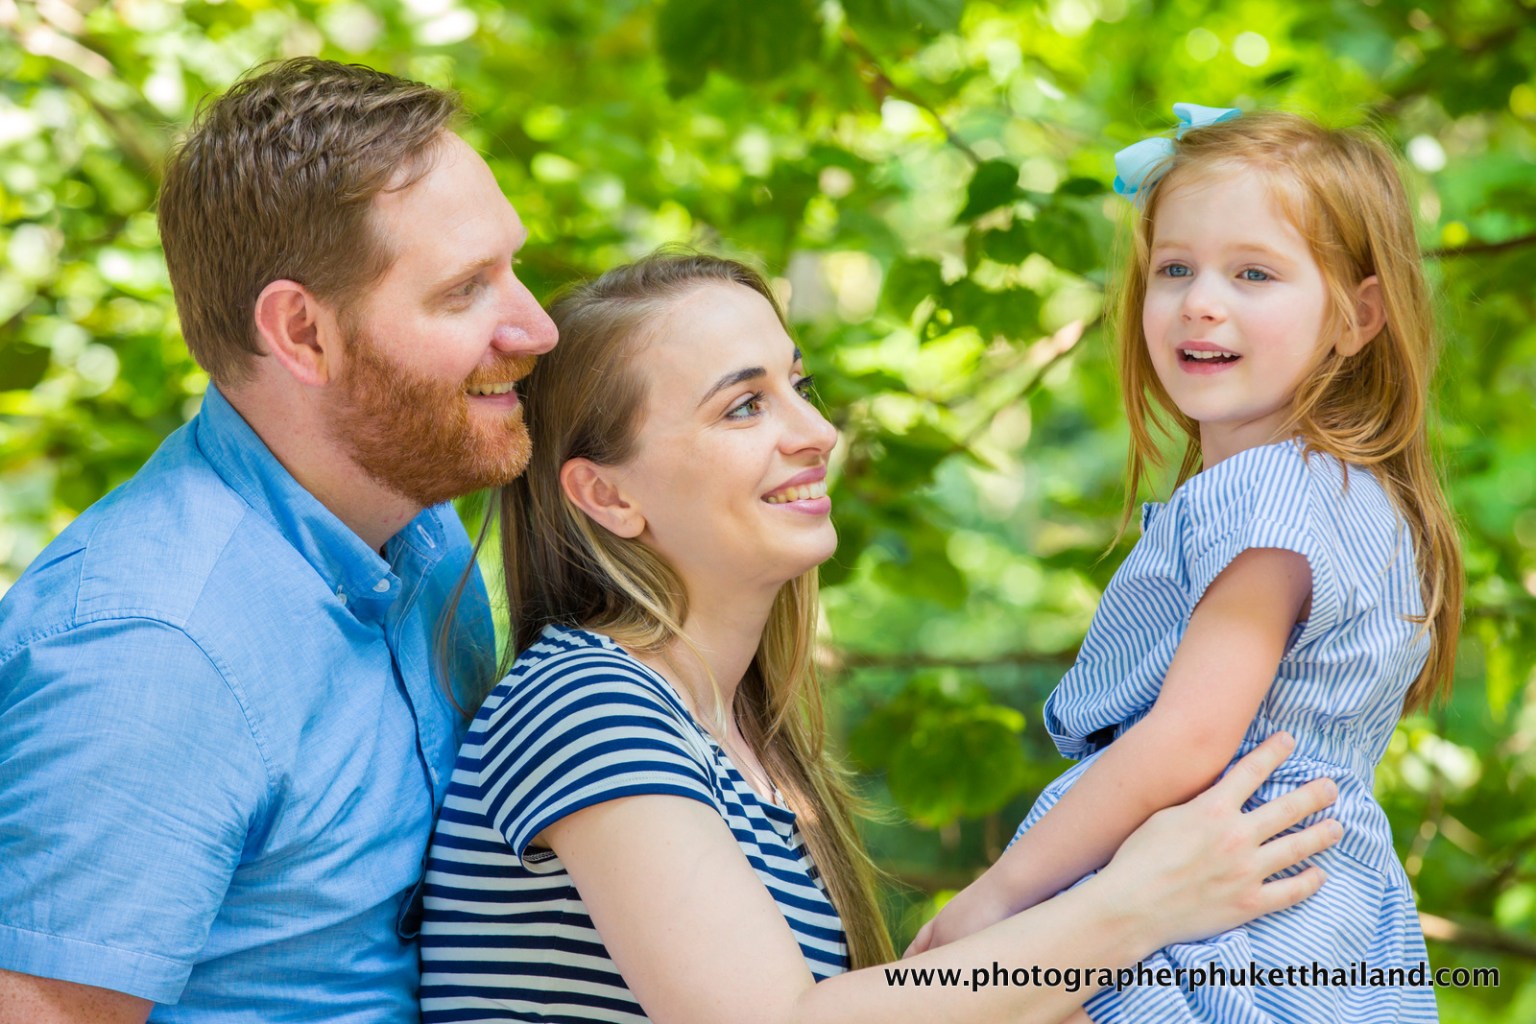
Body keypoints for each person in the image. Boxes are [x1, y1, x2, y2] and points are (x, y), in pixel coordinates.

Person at [417, 252, 1344, 1023]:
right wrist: (1137, 905)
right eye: (745, 406)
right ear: (608, 495)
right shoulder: (583, 701)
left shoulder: (749, 747)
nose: (816, 431)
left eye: (798, 385)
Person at [0, 58, 556, 1022]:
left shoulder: (412, 525)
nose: (538, 326)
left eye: (513, 266)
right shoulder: (155, 654)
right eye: (466, 290)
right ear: (302, 334)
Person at [908, 105, 1463, 1022]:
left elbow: (1188, 743)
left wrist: (1001, 896)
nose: (1202, 300)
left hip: (1224, 927)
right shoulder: (1344, 496)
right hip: (1318, 912)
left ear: (1357, 317)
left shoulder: (1270, 500)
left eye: (1254, 272)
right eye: (1175, 268)